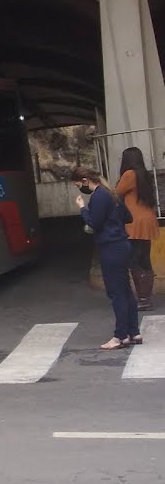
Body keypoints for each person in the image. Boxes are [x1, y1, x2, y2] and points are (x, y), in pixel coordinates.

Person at [74, 168, 140, 349]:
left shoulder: (98, 196)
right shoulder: (112, 193)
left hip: (111, 247)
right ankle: (133, 332)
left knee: (116, 292)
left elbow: (93, 222)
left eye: (78, 184)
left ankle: (120, 336)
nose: (79, 187)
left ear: (85, 180)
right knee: (125, 289)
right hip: (122, 244)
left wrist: (82, 208)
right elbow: (128, 216)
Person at [115, 147, 160, 311]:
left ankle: (142, 299)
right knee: (144, 258)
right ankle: (146, 298)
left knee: (133, 260)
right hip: (147, 219)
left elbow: (116, 192)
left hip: (134, 222)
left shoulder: (129, 175)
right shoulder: (144, 174)